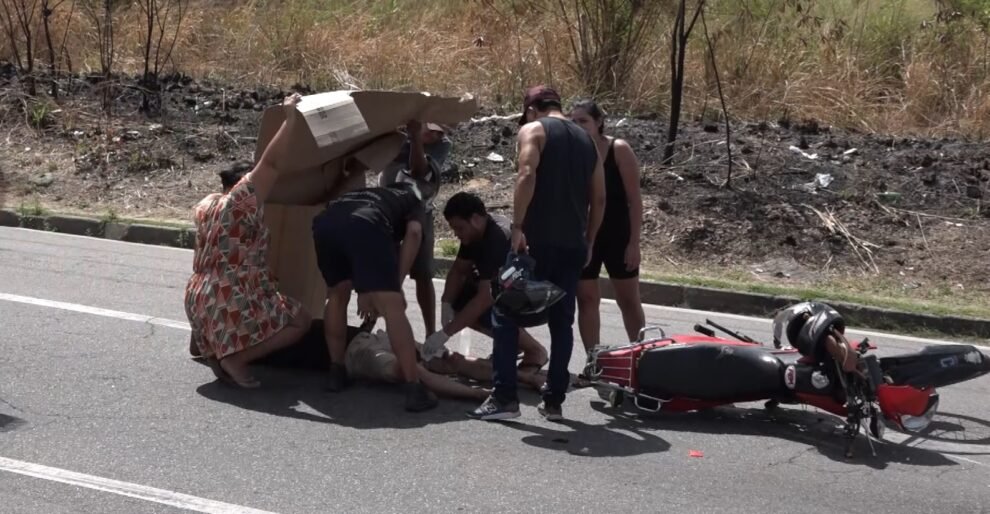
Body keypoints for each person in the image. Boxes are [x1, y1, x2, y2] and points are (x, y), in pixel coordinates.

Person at [468, 85, 606, 421]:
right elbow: (599, 198)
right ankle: (554, 401)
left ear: (532, 110)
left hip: (534, 244)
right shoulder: (589, 141)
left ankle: (504, 399)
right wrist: (589, 241)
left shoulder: (534, 129)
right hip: (572, 244)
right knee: (562, 322)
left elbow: (526, 173)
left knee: (504, 314)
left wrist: (517, 227)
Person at [184, 93, 312, 388]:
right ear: (241, 184)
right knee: (300, 319)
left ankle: (216, 353)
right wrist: (290, 118)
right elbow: (272, 163)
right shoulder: (240, 201)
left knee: (261, 299)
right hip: (230, 298)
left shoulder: (206, 205)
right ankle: (236, 359)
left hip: (197, 296)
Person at [311, 181, 438, 412]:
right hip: (365, 224)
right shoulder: (415, 200)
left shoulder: (376, 194)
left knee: (337, 296)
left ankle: (336, 372)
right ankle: (414, 388)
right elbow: (414, 233)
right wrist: (396, 285)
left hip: (325, 224)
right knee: (392, 307)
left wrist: (366, 289)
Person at [422, 191, 549, 372]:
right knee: (461, 299)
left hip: (540, 299)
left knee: (483, 307)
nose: (456, 234)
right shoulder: (476, 233)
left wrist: (445, 333)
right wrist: (446, 303)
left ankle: (535, 352)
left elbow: (485, 298)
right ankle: (515, 343)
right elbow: (458, 271)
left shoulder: (497, 238)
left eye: (459, 228)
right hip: (518, 292)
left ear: (474, 219)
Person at [569, 99, 646, 354]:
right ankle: (594, 361)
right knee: (587, 299)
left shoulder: (618, 149)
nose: (578, 126)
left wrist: (634, 243)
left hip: (618, 235)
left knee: (628, 300)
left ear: (599, 122)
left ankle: (640, 356)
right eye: (573, 121)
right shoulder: (571, 152)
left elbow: (634, 200)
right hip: (584, 235)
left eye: (584, 121)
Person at [378, 121, 452, 337]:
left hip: (420, 207)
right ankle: (369, 326)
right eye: (429, 130)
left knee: (423, 273)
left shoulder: (443, 145)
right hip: (388, 206)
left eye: (438, 133)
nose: (433, 136)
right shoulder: (396, 134)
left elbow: (418, 170)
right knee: (382, 272)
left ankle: (430, 333)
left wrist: (415, 139)